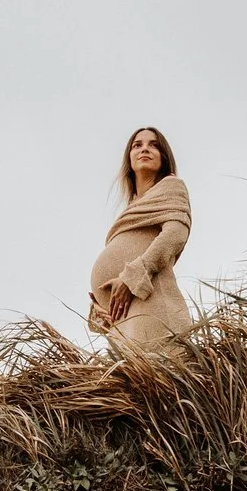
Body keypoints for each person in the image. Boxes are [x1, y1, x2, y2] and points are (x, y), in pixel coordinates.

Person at [89, 126, 194, 357]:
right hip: (125, 320)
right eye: (137, 145)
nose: (145, 148)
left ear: (164, 157)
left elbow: (175, 233)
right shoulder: (133, 206)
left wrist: (132, 277)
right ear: (129, 157)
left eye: (153, 145)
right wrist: (102, 306)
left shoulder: (171, 186)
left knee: (161, 377)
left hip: (152, 304)